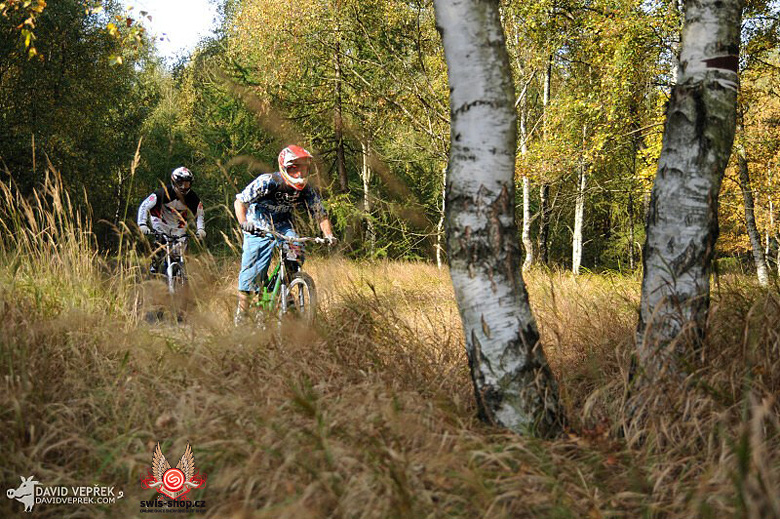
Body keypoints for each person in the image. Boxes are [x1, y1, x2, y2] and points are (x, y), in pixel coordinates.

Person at [234, 145, 335, 324]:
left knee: (297, 250)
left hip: (283, 227)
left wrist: (328, 235)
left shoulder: (306, 189)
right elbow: (240, 201)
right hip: (257, 227)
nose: (299, 173)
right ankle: (241, 316)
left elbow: (320, 213)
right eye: (294, 168)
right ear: (284, 168)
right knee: (251, 275)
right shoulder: (268, 181)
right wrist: (244, 223)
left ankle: (285, 288)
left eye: (303, 168)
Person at [137, 166, 206, 274]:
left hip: (178, 225)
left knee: (179, 250)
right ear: (174, 182)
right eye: (181, 183)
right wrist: (142, 224)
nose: (184, 187)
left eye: (187, 184)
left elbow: (200, 213)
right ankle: (155, 263)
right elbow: (145, 206)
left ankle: (179, 272)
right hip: (160, 220)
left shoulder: (192, 197)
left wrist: (201, 229)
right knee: (161, 241)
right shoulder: (163, 192)